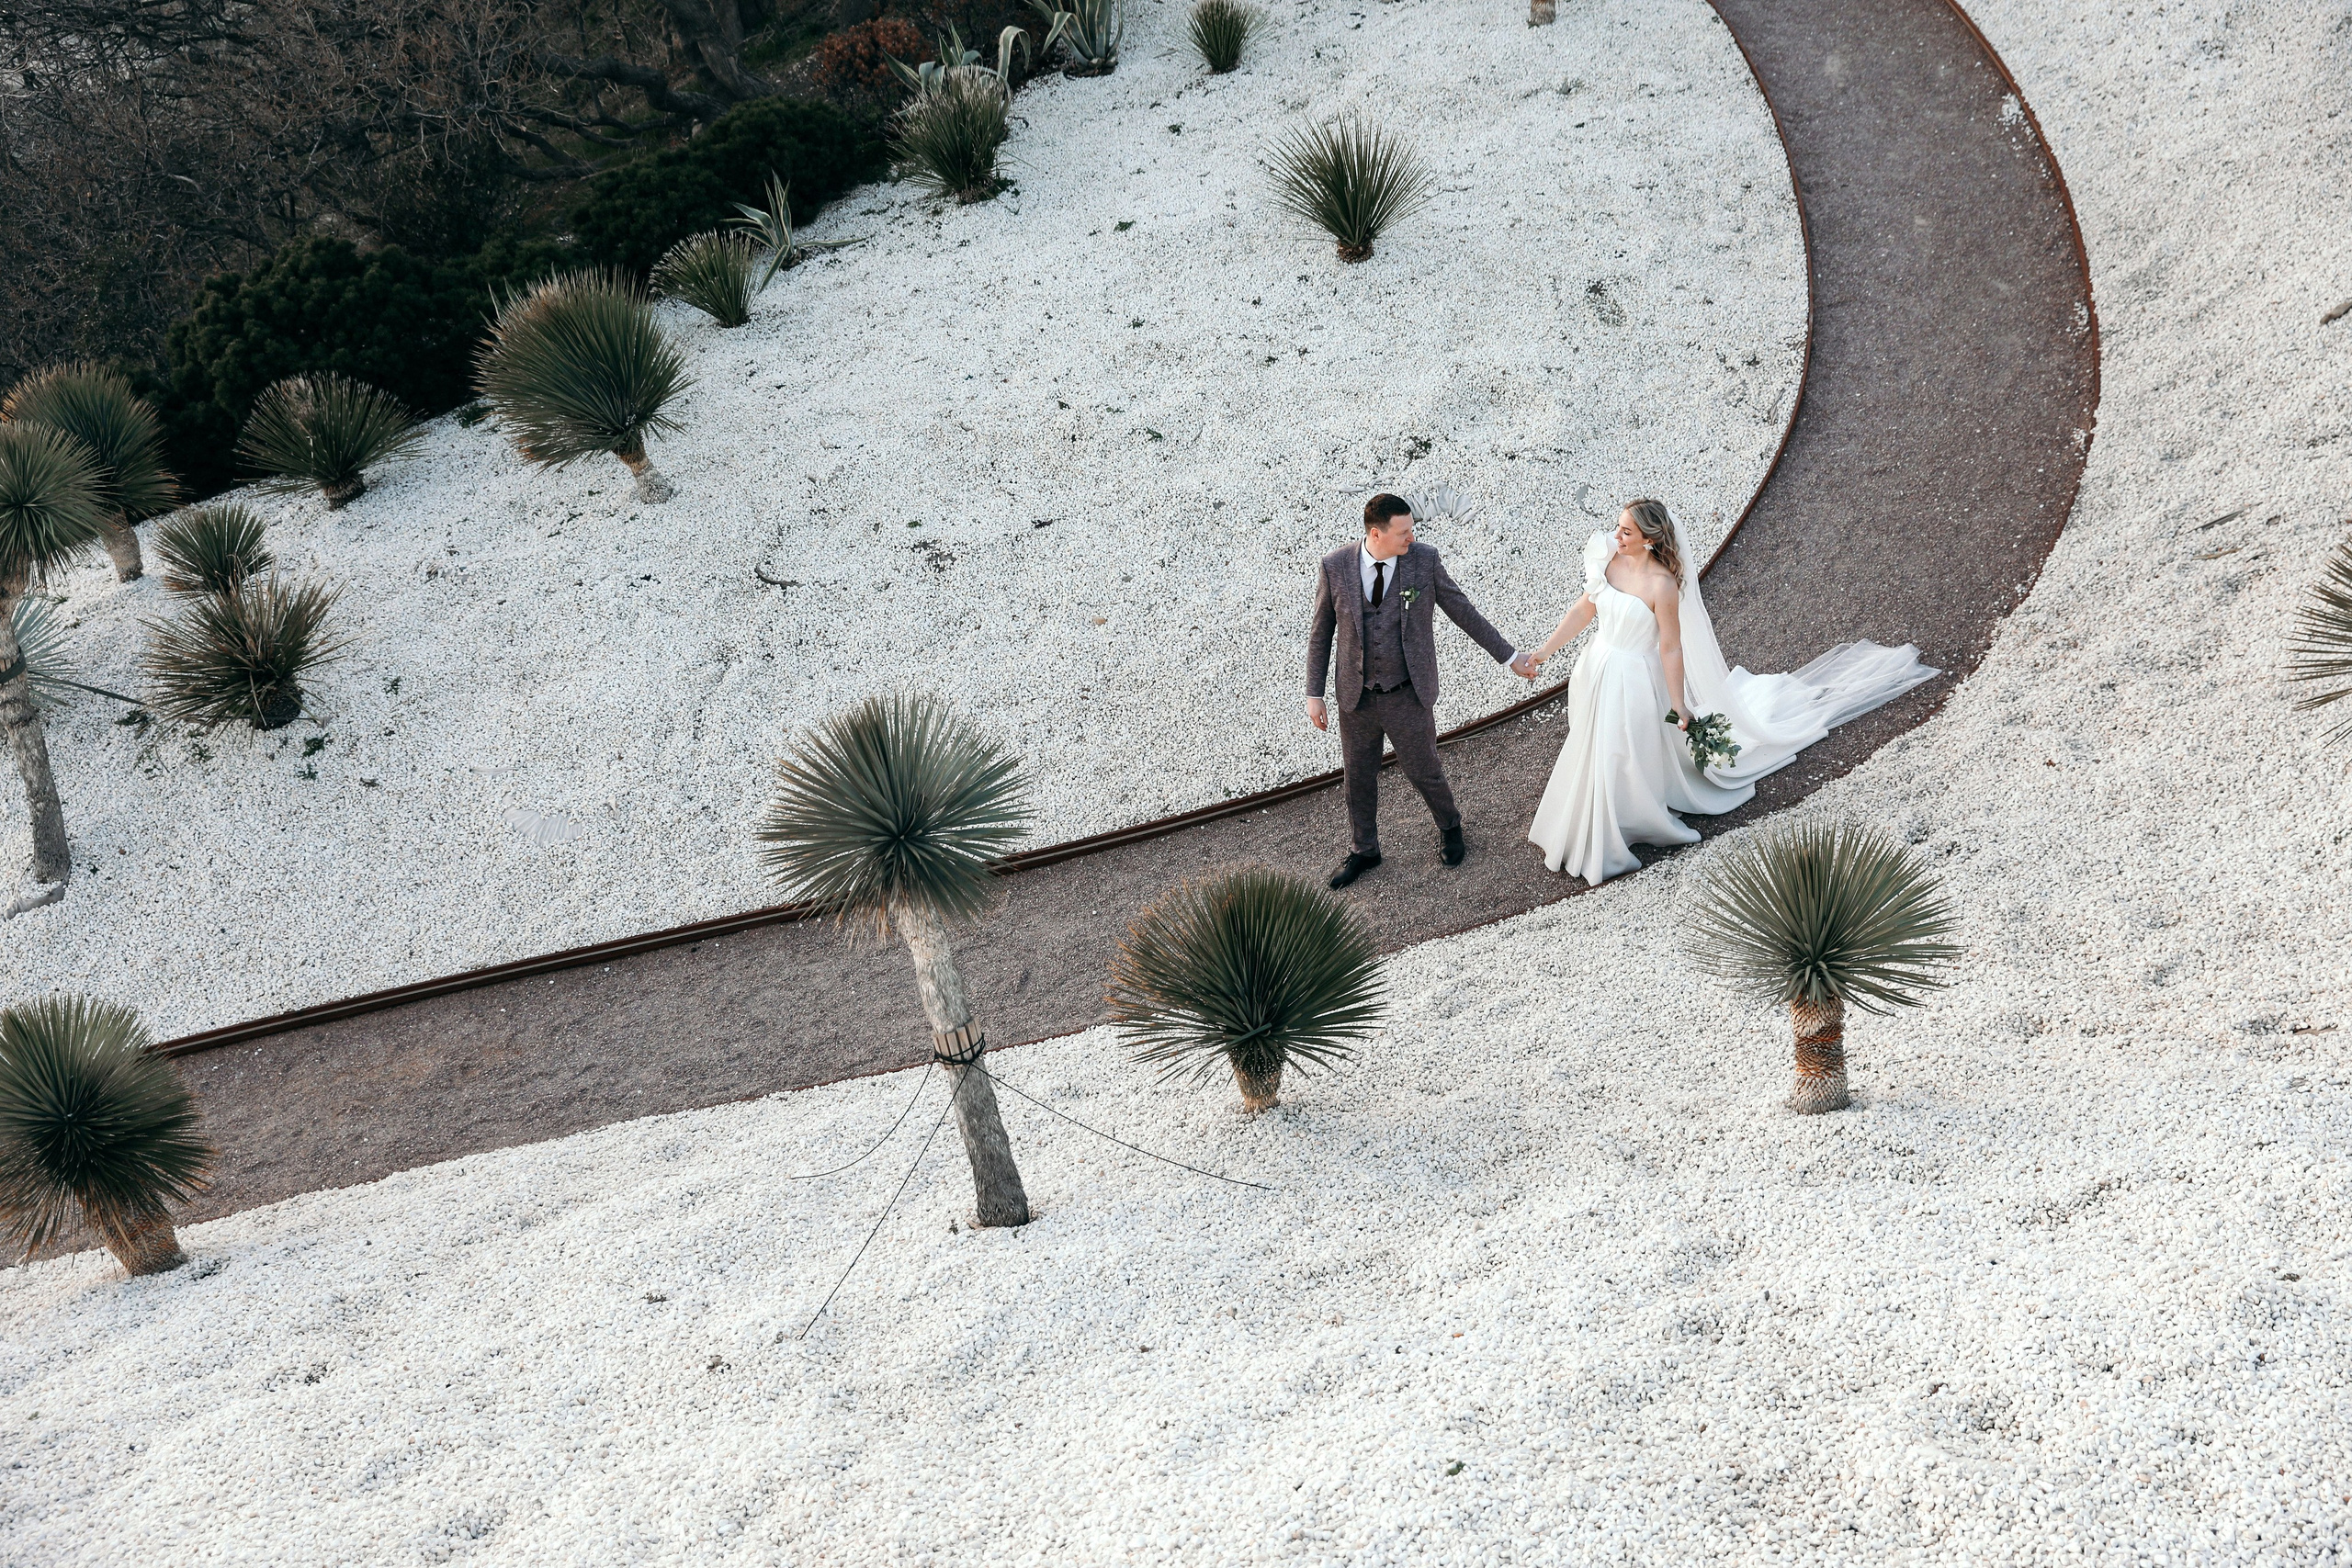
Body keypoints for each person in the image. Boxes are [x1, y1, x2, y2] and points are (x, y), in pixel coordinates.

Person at [1523, 499, 1939, 885]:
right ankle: (1585, 818)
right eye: (1618, 527)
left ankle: (1618, 827)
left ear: (1649, 539)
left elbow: (1669, 646)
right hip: (1597, 666)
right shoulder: (1610, 560)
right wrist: (1543, 653)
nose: (1617, 536)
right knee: (1592, 743)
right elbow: (1584, 608)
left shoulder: (1662, 585)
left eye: (1626, 532)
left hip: (1633, 678)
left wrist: (1678, 702)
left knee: (1618, 749)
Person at [1306, 492, 1537, 889]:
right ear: (1376, 534)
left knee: (1424, 770)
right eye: (1403, 532)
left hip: (1407, 693)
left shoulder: (1424, 561)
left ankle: (1450, 827)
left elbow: (1463, 611)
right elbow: (1321, 632)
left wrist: (1509, 656)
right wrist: (1315, 693)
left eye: (1412, 530)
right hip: (1356, 698)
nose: (1411, 537)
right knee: (1357, 777)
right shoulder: (1335, 566)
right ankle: (1365, 850)